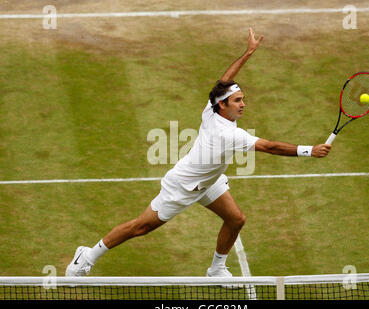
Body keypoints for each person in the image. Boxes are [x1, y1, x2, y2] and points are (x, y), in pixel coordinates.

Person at [66, 27, 331, 277]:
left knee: (236, 219)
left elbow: (224, 79)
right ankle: (87, 256)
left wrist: (248, 53)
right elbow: (269, 146)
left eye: (242, 99)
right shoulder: (230, 134)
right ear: (222, 105)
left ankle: (217, 269)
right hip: (183, 185)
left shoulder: (211, 108)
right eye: (238, 101)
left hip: (208, 181)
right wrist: (310, 150)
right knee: (140, 227)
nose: (243, 105)